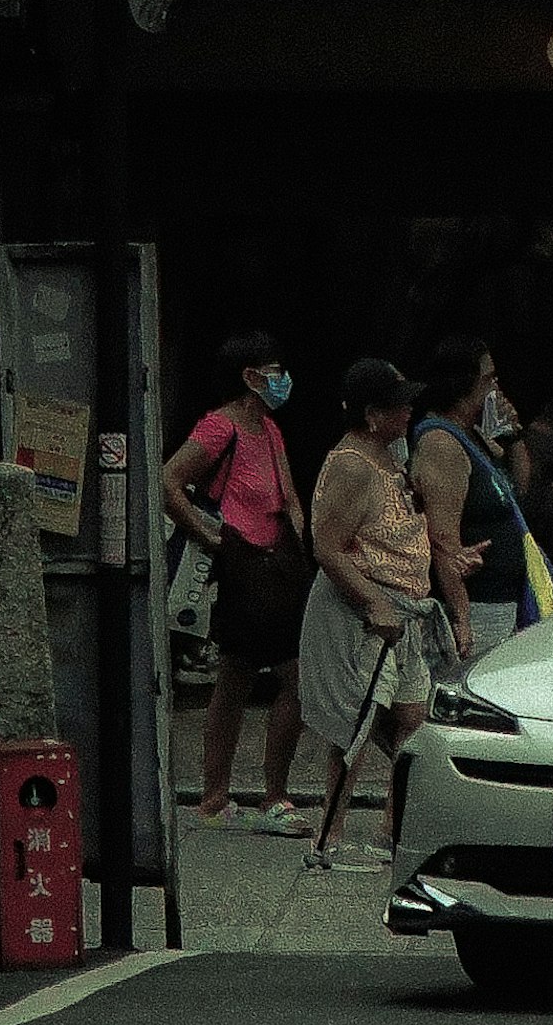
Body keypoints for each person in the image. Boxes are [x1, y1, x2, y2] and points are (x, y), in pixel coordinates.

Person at [300, 355, 449, 865]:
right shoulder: (350, 464)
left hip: (405, 612)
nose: (409, 412)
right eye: (398, 405)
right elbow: (326, 545)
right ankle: (326, 839)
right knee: (355, 729)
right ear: (371, 414)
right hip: (366, 614)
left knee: (413, 722)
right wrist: (372, 601)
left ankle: (391, 832)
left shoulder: (390, 455)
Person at [164, 329, 313, 829]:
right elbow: (170, 481)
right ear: (250, 377)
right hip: (241, 568)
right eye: (274, 371)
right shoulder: (217, 428)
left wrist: (299, 544)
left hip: (278, 565)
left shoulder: (269, 430)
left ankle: (238, 794)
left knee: (253, 680)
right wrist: (210, 536)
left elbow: (287, 493)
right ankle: (239, 795)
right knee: (255, 679)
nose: (282, 380)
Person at [414, 335, 540, 643]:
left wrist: (513, 435)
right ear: (462, 384)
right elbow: (443, 539)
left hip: (505, 600)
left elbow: (520, 490)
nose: (495, 387)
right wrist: (462, 619)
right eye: (488, 379)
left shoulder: (475, 436)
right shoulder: (441, 443)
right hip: (479, 605)